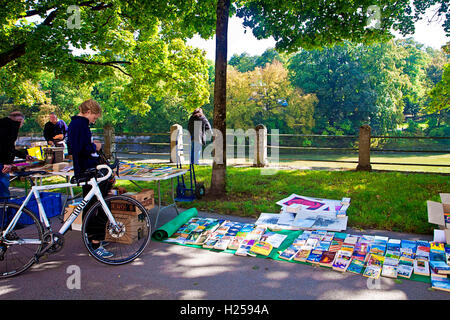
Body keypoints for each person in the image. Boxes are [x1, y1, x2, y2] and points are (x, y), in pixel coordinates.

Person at [67, 99, 113, 258]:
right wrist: (95, 147)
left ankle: (91, 237)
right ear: (88, 111)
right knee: (98, 206)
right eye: (95, 115)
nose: (95, 119)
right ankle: (95, 242)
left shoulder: (77, 124)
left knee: (91, 204)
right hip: (88, 170)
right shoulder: (80, 125)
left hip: (87, 169)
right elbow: (77, 148)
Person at [0, 111, 34, 198]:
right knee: (3, 192)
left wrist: (24, 156)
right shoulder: (12, 126)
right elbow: (6, 145)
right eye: (22, 122)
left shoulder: (3, 124)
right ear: (19, 120)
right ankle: (4, 210)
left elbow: (10, 148)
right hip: (2, 163)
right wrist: (7, 163)